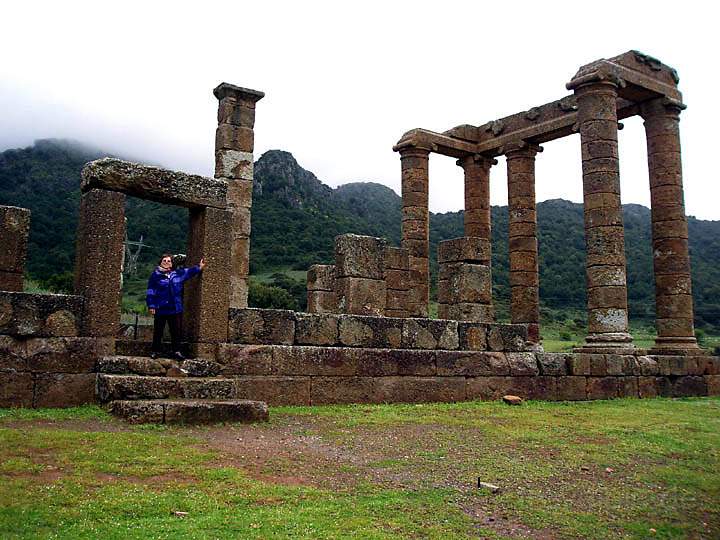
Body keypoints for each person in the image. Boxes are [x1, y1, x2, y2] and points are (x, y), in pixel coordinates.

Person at [146, 253, 206, 360]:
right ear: (160, 262)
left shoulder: (177, 274)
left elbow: (188, 272)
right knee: (158, 330)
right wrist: (151, 305)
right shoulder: (155, 275)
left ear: (171, 263)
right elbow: (151, 291)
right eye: (164, 260)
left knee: (176, 331)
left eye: (168, 261)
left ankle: (176, 351)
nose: (166, 262)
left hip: (175, 308)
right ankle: (155, 351)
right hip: (160, 308)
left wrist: (199, 267)